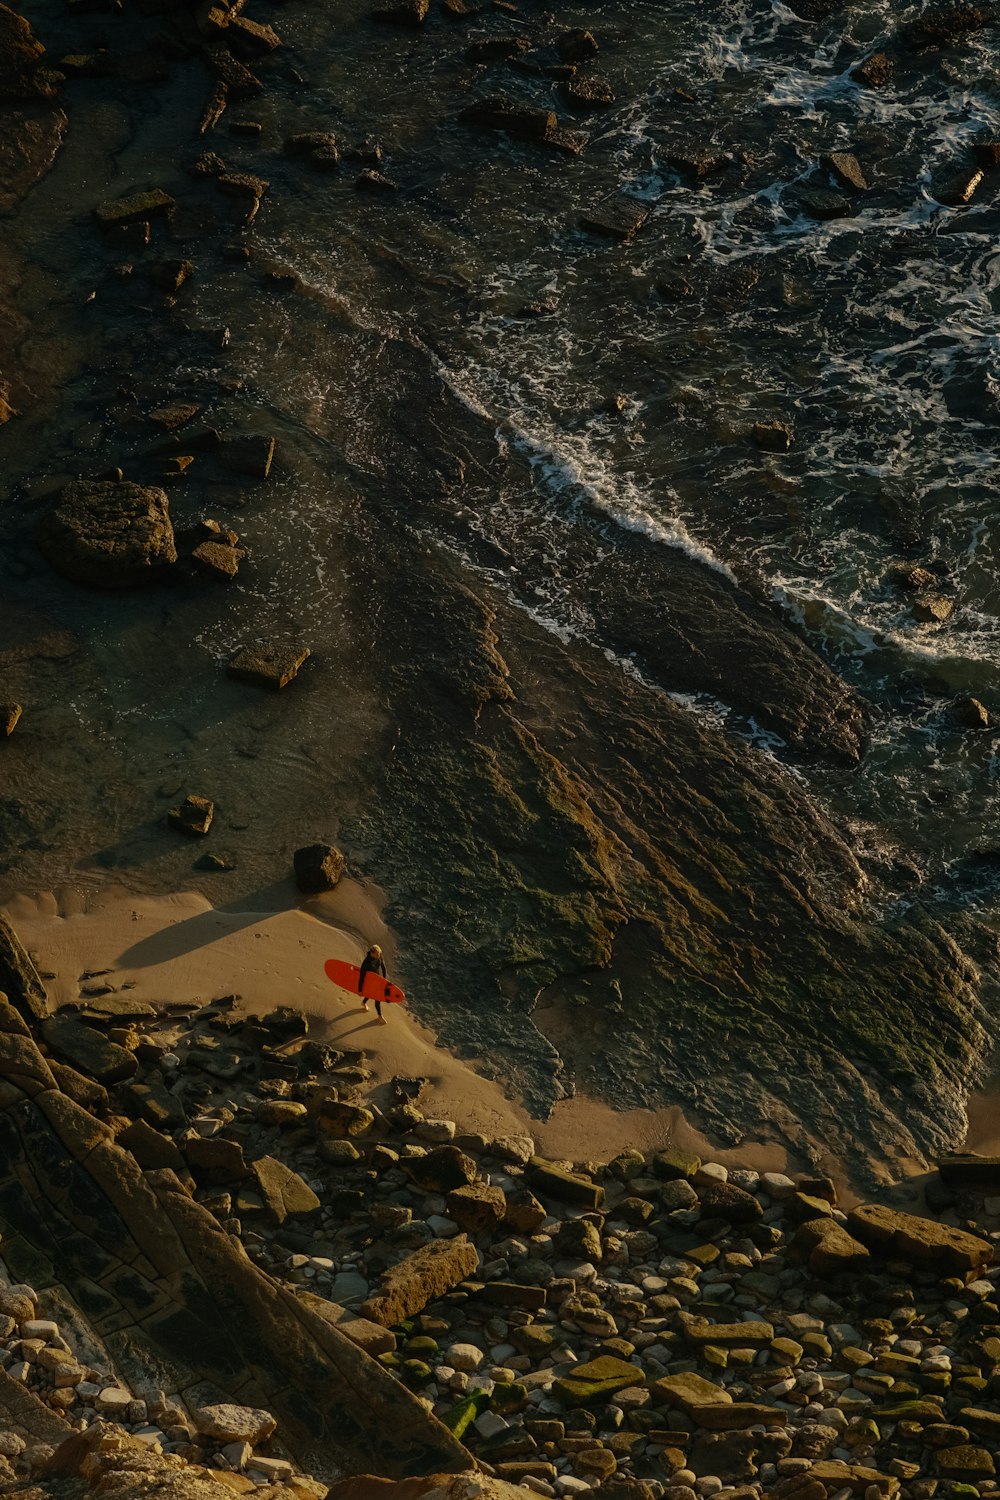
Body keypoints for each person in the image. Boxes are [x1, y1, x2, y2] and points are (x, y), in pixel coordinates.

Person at [359, 943, 388, 1024]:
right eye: (377, 954)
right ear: (372, 953)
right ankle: (380, 1016)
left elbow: (383, 967)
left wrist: (384, 979)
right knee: (376, 997)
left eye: (379, 953)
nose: (379, 955)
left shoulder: (379, 955)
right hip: (369, 981)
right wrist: (360, 990)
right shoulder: (366, 962)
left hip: (377, 979)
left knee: (373, 994)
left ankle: (363, 1002)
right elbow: (361, 976)